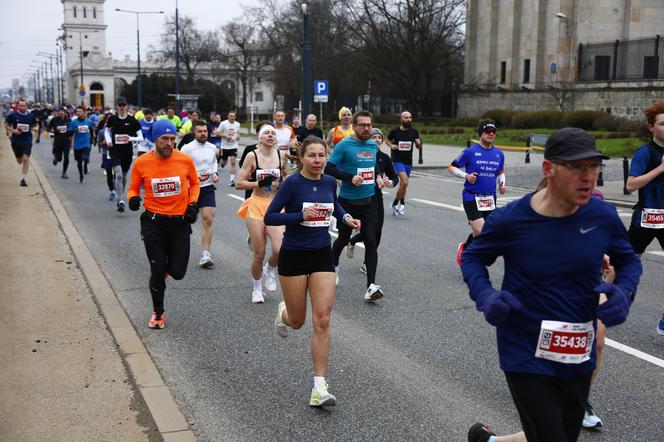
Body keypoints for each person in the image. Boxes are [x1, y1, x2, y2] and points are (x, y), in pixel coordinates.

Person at [463, 127, 642, 442]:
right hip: (525, 352)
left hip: (577, 352)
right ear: (549, 169)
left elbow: (629, 261)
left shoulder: (602, 215)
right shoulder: (511, 220)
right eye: (576, 167)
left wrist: (624, 293)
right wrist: (486, 296)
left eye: (594, 166)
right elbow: (473, 258)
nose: (589, 177)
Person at [265, 137, 360, 407]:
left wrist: (345, 218)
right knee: (298, 322)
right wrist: (299, 217)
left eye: (322, 156)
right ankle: (284, 314)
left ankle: (319, 387)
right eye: (313, 156)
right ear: (302, 158)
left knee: (322, 320)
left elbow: (335, 204)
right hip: (293, 257)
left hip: (321, 255)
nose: (318, 161)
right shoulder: (292, 183)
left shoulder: (330, 181)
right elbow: (270, 217)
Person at [127, 119, 200, 329]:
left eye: (172, 138)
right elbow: (133, 188)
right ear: (154, 140)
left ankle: (160, 275)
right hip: (153, 223)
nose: (169, 143)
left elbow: (195, 184)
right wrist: (133, 199)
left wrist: (193, 203)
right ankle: (158, 312)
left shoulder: (184, 160)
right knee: (157, 269)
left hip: (179, 222)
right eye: (164, 139)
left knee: (177, 272)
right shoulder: (142, 162)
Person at [325, 111, 383, 301]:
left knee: (371, 240)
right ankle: (333, 266)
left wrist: (380, 177)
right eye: (362, 125)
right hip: (348, 202)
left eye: (369, 125)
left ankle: (371, 286)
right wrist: (350, 177)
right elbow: (329, 168)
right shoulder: (344, 145)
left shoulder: (373, 145)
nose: (366, 128)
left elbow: (375, 166)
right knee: (342, 238)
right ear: (355, 126)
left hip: (370, 202)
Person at [236, 124, 288, 303]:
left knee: (279, 249)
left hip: (275, 205)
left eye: (273, 133)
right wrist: (259, 183)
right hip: (257, 204)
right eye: (266, 132)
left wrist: (287, 181)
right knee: (259, 252)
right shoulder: (252, 156)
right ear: (260, 137)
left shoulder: (281, 156)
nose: (270, 135)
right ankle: (257, 289)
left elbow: (284, 177)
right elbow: (239, 182)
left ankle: (270, 269)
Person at [624, 100, 664, 336]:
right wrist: (659, 169)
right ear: (651, 128)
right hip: (646, 218)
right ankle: (599, 300)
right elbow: (630, 186)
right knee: (624, 264)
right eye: (662, 124)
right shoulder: (645, 152)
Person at [449, 119, 506, 266]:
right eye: (488, 131)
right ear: (481, 133)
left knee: (482, 233)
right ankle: (472, 258)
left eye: (493, 132)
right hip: (471, 197)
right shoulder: (470, 152)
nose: (491, 134)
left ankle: (466, 248)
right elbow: (452, 167)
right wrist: (466, 176)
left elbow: (500, 172)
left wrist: (502, 183)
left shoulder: (499, 154)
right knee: (482, 232)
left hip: (490, 199)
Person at [346, 128, 398, 274]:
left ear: (382, 140)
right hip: (359, 196)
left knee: (377, 232)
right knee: (368, 232)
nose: (376, 139)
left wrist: (391, 182)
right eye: (373, 137)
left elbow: (394, 177)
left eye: (379, 137)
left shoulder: (384, 157)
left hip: (376, 197)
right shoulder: (361, 155)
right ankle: (352, 241)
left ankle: (365, 261)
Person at [181, 121, 220, 268]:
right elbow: (180, 167)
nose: (203, 134)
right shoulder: (187, 149)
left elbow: (213, 162)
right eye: (200, 131)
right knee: (186, 221)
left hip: (207, 188)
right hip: (190, 189)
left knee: (208, 218)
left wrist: (215, 173)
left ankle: (205, 254)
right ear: (193, 133)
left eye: (205, 131)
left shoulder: (212, 148)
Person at [104, 97, 143, 212]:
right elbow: (107, 131)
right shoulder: (112, 119)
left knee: (124, 176)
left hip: (127, 152)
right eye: (119, 105)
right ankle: (121, 200)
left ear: (126, 106)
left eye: (123, 105)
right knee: (119, 175)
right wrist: (108, 141)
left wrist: (130, 138)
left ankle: (120, 194)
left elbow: (141, 137)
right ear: (117, 106)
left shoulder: (132, 120)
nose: (121, 107)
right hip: (115, 151)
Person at [386, 111, 422, 216]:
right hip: (397, 160)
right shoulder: (395, 131)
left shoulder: (414, 132)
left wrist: (419, 144)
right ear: (401, 119)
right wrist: (391, 146)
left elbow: (417, 146)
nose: (409, 119)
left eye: (410, 117)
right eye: (406, 118)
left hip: (408, 161)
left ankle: (395, 203)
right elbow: (387, 140)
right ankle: (402, 204)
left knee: (403, 185)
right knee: (405, 182)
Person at [4, 99, 37, 186]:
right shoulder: (13, 115)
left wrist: (35, 128)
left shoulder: (31, 116)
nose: (22, 107)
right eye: (21, 106)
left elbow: (35, 125)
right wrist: (13, 131)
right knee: (19, 161)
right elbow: (6, 125)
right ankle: (20, 160)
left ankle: (23, 179)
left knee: (25, 159)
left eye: (24, 105)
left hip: (27, 140)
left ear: (27, 106)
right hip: (15, 141)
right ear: (18, 106)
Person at [67, 106, 95, 183]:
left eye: (80, 111)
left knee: (85, 157)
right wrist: (72, 131)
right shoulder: (74, 122)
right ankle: (81, 176)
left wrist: (93, 138)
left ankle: (86, 164)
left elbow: (92, 130)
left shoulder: (88, 121)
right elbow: (69, 133)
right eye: (77, 111)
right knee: (79, 162)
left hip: (86, 143)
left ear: (84, 112)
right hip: (77, 144)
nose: (78, 113)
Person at [48, 107, 72, 179]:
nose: (61, 112)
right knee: (59, 159)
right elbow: (48, 127)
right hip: (58, 141)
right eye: (59, 111)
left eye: (62, 111)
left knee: (66, 156)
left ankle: (64, 172)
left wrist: (70, 133)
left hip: (66, 141)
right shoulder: (54, 120)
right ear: (58, 112)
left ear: (65, 112)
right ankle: (56, 158)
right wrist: (52, 131)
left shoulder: (68, 120)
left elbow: (72, 129)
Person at [219, 111, 241, 186]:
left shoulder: (237, 124)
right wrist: (225, 136)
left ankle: (232, 180)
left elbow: (238, 132)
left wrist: (238, 136)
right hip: (225, 146)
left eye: (233, 116)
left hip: (233, 146)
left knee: (233, 162)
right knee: (224, 163)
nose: (232, 117)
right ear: (228, 117)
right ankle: (221, 164)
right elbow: (217, 133)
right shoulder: (223, 123)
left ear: (235, 117)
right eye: (230, 116)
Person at [97, 112, 116, 200]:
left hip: (116, 154)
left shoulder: (118, 130)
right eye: (108, 119)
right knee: (109, 174)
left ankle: (116, 186)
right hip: (106, 154)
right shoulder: (102, 132)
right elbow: (99, 145)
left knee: (117, 173)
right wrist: (103, 143)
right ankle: (112, 190)